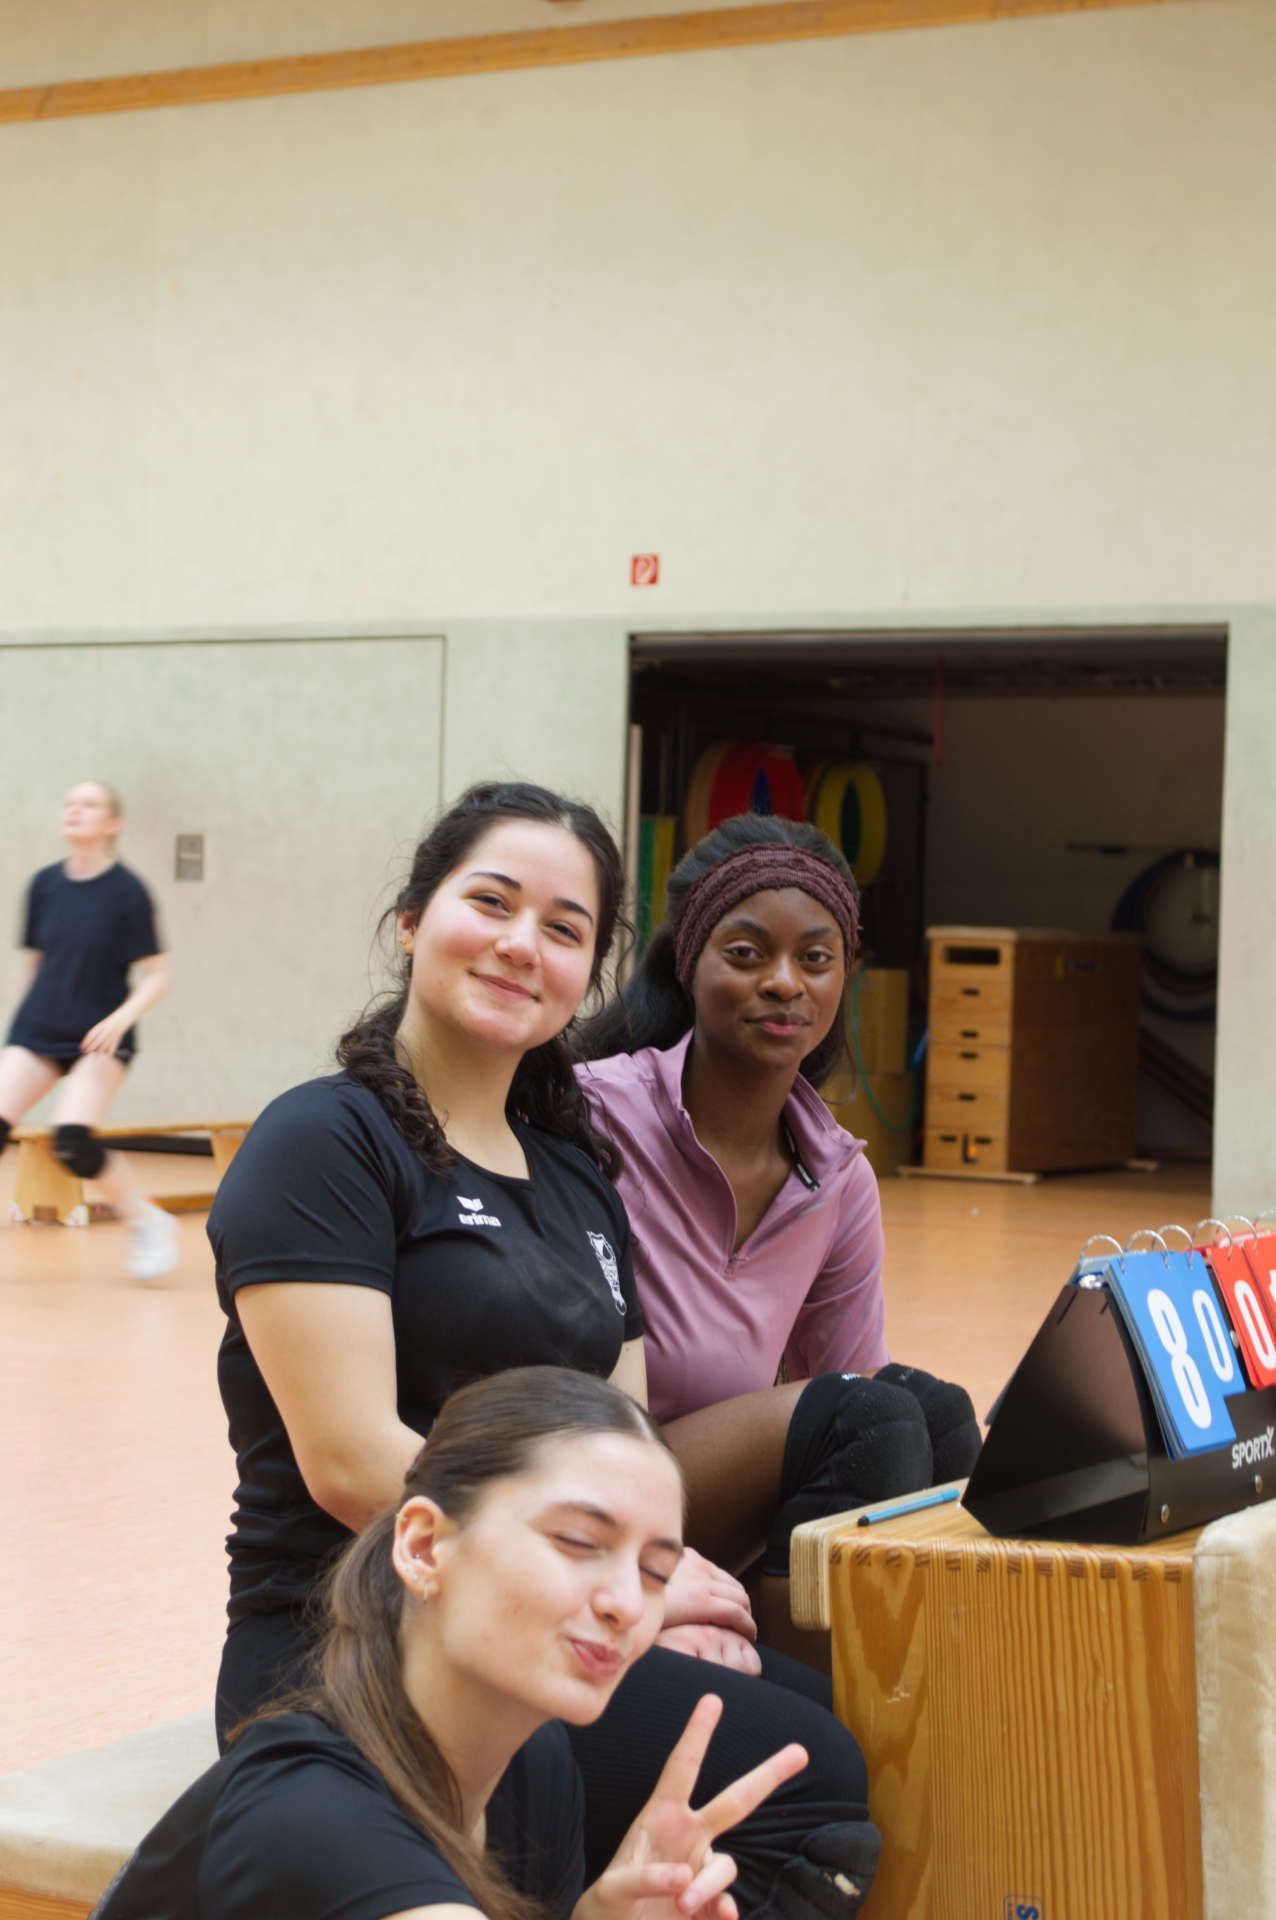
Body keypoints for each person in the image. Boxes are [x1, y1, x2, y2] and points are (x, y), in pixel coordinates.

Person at [206, 781, 881, 1919]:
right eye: (493, 903)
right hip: (355, 1643)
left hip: (536, 1627)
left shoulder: (570, 1169)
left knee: (830, 1721)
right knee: (814, 1795)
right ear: (414, 919)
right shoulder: (323, 1141)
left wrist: (668, 1583)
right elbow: (351, 1460)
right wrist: (636, 1595)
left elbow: (619, 1439)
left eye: (565, 929)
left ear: (590, 973)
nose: (524, 945)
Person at [93, 1365, 809, 1920]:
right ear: (425, 1545)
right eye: (578, 1541)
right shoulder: (317, 1819)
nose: (627, 1603)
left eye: (657, 1572)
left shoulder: (530, 1762)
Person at [574, 813, 981, 1652]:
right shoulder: (592, 1116)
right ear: (690, 964)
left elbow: (863, 1382)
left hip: (719, 1508)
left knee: (933, 1413)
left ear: (844, 977)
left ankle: (928, 1689)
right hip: (590, 1477)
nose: (785, 983)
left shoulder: (837, 1177)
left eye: (816, 958)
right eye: (748, 954)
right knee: (868, 1419)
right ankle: (806, 1695)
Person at [0, 780, 177, 1280]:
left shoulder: (127, 892)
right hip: (39, 1029)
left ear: (111, 824)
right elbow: (34, 963)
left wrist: (119, 1020)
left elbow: (159, 975)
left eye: (90, 805)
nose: (75, 811)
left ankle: (148, 1221)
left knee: (72, 1142)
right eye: (70, 804)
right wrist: (17, 1029)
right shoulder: (44, 886)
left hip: (98, 1036)